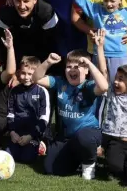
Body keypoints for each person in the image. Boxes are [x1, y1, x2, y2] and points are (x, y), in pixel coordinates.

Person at [32, 37, 108, 180]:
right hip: (65, 137)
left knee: (83, 138)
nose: (72, 70)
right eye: (68, 66)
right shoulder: (60, 82)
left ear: (86, 70)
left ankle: (89, 163)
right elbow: (36, 79)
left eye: (77, 66)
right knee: (51, 168)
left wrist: (90, 64)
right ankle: (78, 159)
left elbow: (104, 86)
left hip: (88, 133)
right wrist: (48, 62)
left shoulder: (89, 86)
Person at [0, 0, 59, 64]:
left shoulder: (46, 12)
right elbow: (1, 42)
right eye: (18, 1)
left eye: (26, 1)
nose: (22, 6)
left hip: (41, 45)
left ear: (35, 0)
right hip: (15, 47)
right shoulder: (4, 13)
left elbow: (51, 42)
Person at [5, 57, 51, 164]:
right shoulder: (14, 91)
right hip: (17, 132)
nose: (26, 77)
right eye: (23, 73)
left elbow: (44, 118)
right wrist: (12, 132)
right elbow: (10, 113)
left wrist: (31, 135)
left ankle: (41, 144)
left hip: (34, 133)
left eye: (30, 74)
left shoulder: (42, 91)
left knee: (27, 158)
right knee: (9, 155)